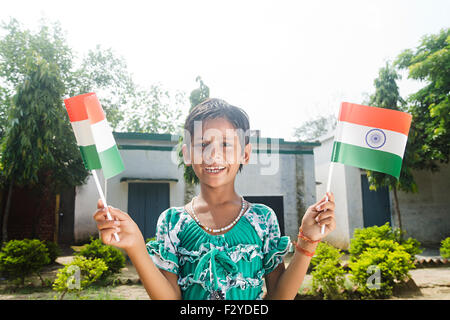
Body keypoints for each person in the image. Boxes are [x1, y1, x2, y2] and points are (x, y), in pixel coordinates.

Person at [94, 98, 336, 300]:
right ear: (187, 154)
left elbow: (278, 296)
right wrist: (136, 247)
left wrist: (308, 241)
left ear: (245, 154)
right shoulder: (172, 222)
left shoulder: (262, 219)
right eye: (203, 144)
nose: (213, 155)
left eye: (226, 144)